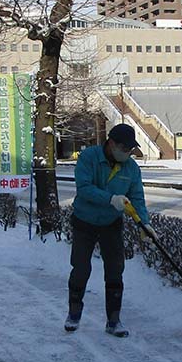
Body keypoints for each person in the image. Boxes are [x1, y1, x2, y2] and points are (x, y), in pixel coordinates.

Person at [66, 123, 150, 337]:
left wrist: (144, 223)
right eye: (124, 148)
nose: (127, 153)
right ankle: (74, 313)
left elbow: (137, 196)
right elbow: (84, 188)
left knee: (115, 270)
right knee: (81, 268)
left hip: (111, 224)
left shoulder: (131, 168)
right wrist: (111, 199)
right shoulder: (89, 158)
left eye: (130, 150)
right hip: (84, 221)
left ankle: (114, 320)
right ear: (111, 143)